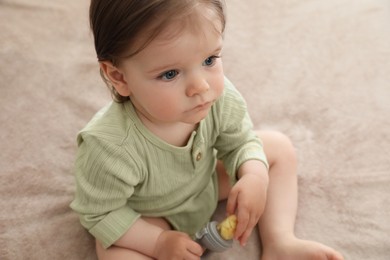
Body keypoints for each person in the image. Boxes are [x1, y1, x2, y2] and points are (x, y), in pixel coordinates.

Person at [70, 0, 344, 259]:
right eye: (170, 74)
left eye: (210, 60)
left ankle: (280, 241)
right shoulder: (108, 146)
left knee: (278, 147)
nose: (200, 86)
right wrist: (157, 242)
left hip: (206, 184)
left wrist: (254, 174)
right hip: (147, 214)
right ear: (119, 77)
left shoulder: (219, 99)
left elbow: (240, 142)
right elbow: (100, 213)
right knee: (115, 251)